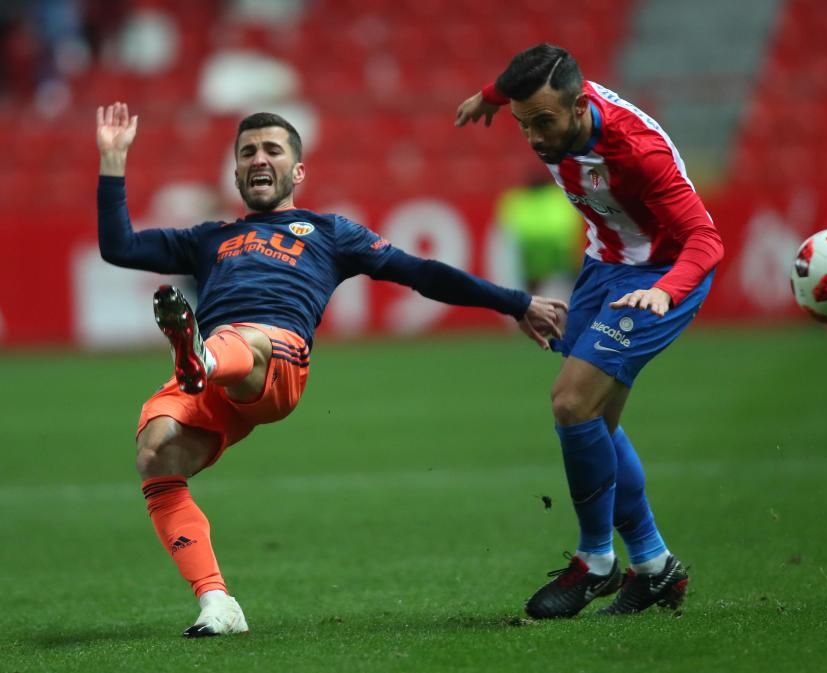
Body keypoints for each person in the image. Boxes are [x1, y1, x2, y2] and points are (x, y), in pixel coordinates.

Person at [95, 101, 567, 637]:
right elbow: (120, 246)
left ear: (297, 171)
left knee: (239, 340)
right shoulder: (209, 239)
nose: (258, 158)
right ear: (235, 172)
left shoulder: (329, 233)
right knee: (155, 451)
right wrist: (113, 160)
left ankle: (200, 354)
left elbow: (423, 273)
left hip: (276, 359)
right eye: (247, 151)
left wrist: (514, 302)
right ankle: (217, 603)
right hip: (216, 382)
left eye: (272, 149)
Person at [455, 44, 724, 618]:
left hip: (660, 275)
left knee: (572, 403)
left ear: (580, 108)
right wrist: (489, 97)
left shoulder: (636, 152)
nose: (532, 137)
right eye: (522, 123)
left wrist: (664, 291)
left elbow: (707, 240)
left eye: (543, 123)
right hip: (606, 265)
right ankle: (654, 566)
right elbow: (517, 78)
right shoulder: (544, 107)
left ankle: (595, 559)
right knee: (596, 422)